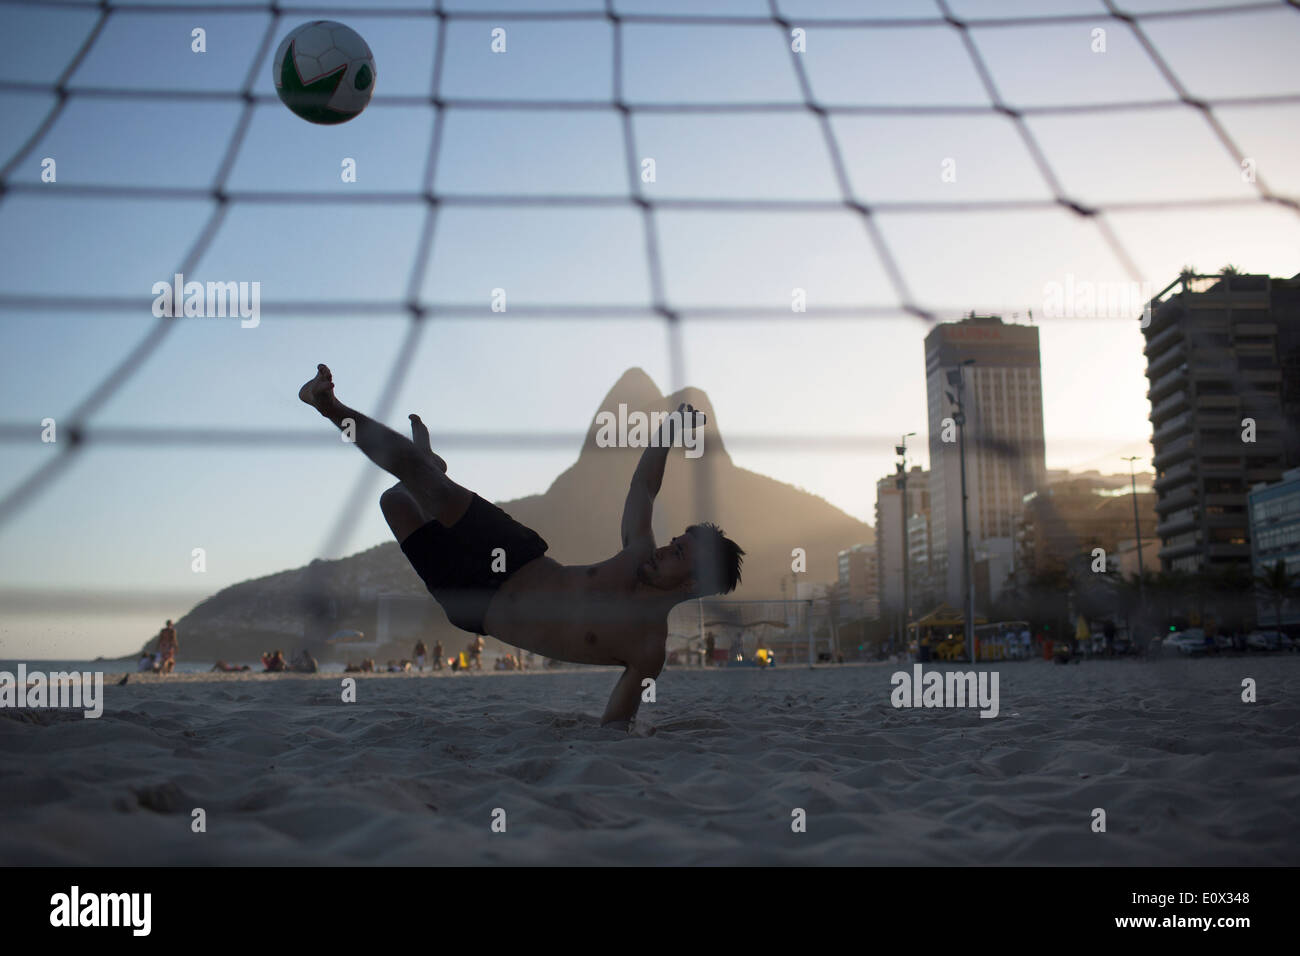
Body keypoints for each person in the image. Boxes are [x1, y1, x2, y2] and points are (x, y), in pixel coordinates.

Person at [300, 363, 744, 727]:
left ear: (694, 584)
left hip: (474, 607)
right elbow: (645, 486)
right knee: (426, 486)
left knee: (395, 500)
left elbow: (615, 723)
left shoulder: (648, 649)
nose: (665, 550)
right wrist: (667, 433)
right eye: (675, 543)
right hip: (515, 554)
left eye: (679, 554)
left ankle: (430, 464)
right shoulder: (636, 555)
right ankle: (330, 407)